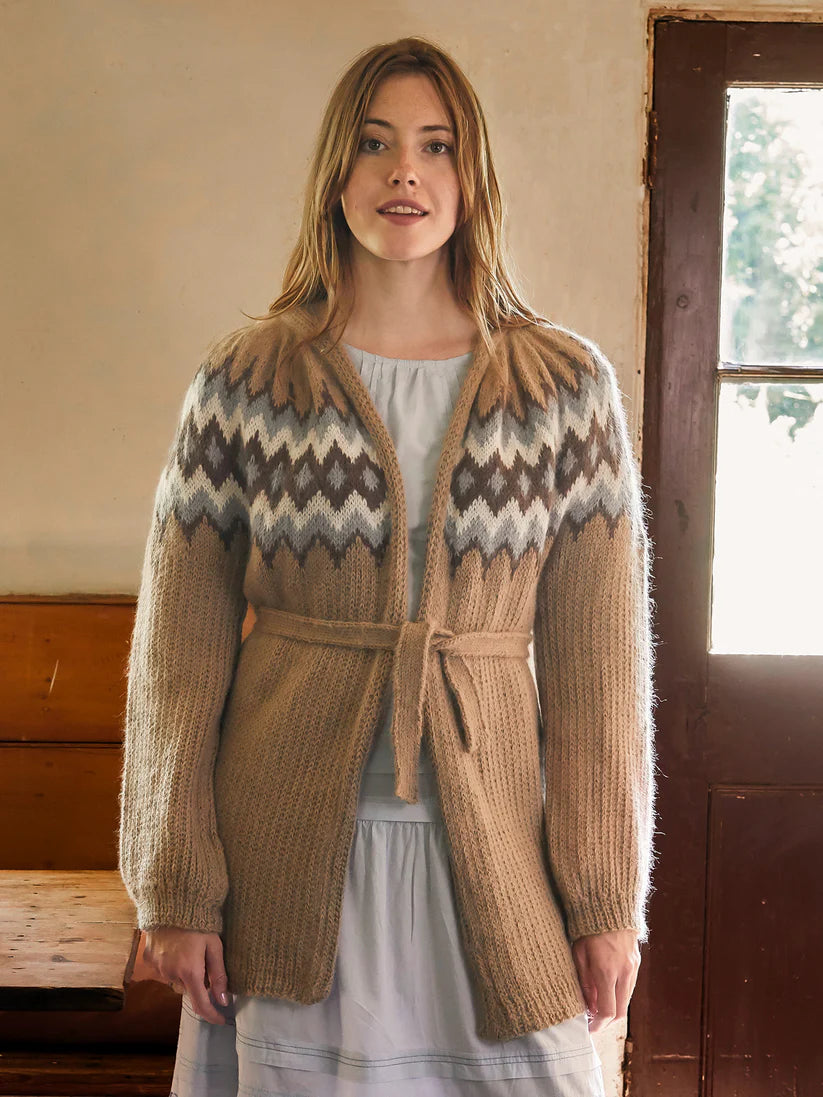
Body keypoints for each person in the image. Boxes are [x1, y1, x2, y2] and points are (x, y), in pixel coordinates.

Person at [118, 34, 658, 1097]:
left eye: (434, 145)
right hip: (284, 852)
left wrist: (605, 901)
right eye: (374, 144)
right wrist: (174, 886)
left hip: (491, 850)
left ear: (472, 174)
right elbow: (175, 659)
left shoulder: (563, 390)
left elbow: (600, 675)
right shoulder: (247, 382)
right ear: (336, 172)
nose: (404, 171)